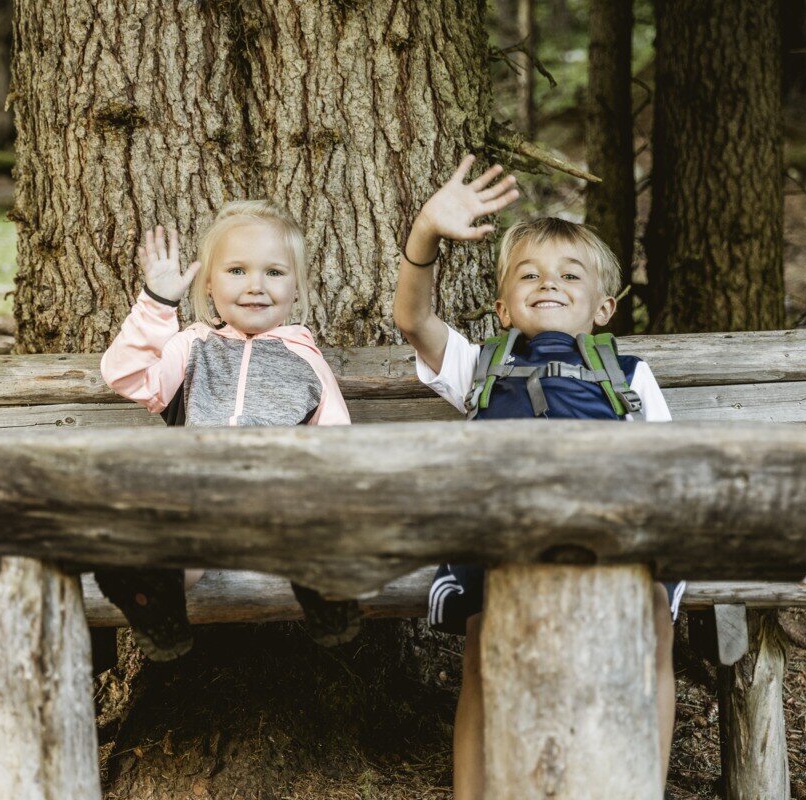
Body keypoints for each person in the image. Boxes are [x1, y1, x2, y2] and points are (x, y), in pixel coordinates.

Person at [392, 155, 681, 798]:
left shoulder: (628, 376)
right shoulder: (479, 365)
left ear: (604, 307)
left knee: (654, 628)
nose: (548, 282)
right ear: (502, 307)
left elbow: (665, 467)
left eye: (570, 274)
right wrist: (426, 232)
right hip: (502, 529)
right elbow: (413, 320)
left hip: (608, 528)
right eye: (529, 273)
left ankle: (646, 786)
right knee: (481, 646)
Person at [97, 200, 360, 661]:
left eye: (274, 272)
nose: (256, 285)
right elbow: (127, 376)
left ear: (296, 287)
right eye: (237, 271)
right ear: (209, 284)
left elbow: (338, 445)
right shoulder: (192, 346)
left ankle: (326, 595)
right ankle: (157, 608)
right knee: (181, 546)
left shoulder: (306, 363)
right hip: (201, 501)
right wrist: (157, 304)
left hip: (278, 505)